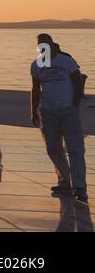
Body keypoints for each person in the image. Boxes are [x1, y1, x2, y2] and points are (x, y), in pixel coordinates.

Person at [31, 33, 86, 202]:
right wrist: (33, 110)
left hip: (67, 110)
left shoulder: (67, 61)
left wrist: (74, 106)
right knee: (53, 148)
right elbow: (35, 88)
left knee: (75, 149)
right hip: (47, 112)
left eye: (46, 44)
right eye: (40, 45)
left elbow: (78, 84)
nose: (43, 47)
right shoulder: (37, 64)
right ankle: (65, 182)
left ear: (53, 44)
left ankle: (80, 187)